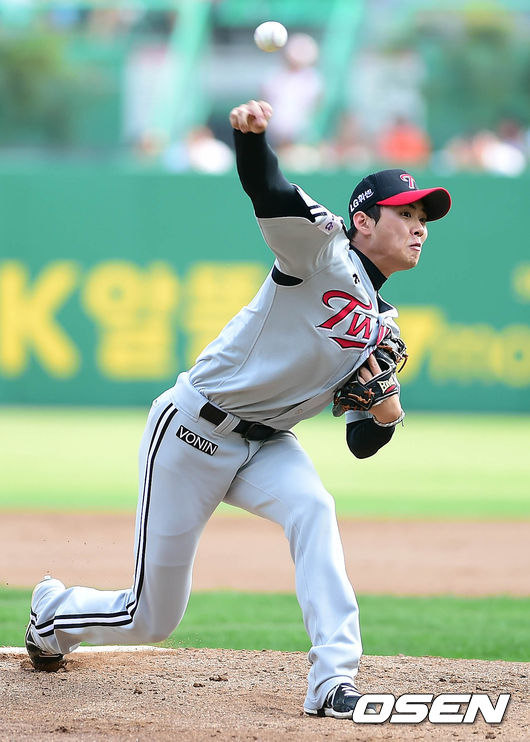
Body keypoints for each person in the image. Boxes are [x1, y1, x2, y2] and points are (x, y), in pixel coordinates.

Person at [25, 99, 451, 720]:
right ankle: (53, 614)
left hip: (268, 444)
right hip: (193, 430)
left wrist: (386, 412)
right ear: (363, 220)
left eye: (423, 218)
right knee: (152, 618)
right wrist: (250, 138)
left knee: (314, 508)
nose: (420, 227)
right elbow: (268, 189)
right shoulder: (321, 252)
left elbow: (362, 442)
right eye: (405, 213)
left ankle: (333, 678)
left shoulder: (384, 327)